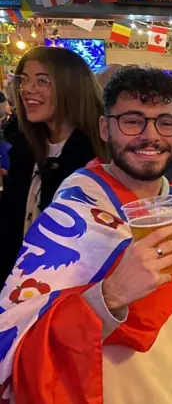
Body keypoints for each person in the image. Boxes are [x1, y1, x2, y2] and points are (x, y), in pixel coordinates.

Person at [0, 66, 172, 402]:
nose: (151, 136)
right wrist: (109, 296)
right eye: (132, 121)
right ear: (106, 128)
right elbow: (17, 338)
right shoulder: (73, 212)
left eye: (165, 122)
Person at [0, 47, 108, 287]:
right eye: (24, 80)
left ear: (71, 87)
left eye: (42, 81)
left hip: (70, 292)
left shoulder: (99, 155)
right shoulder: (24, 149)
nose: (27, 89)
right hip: (17, 288)